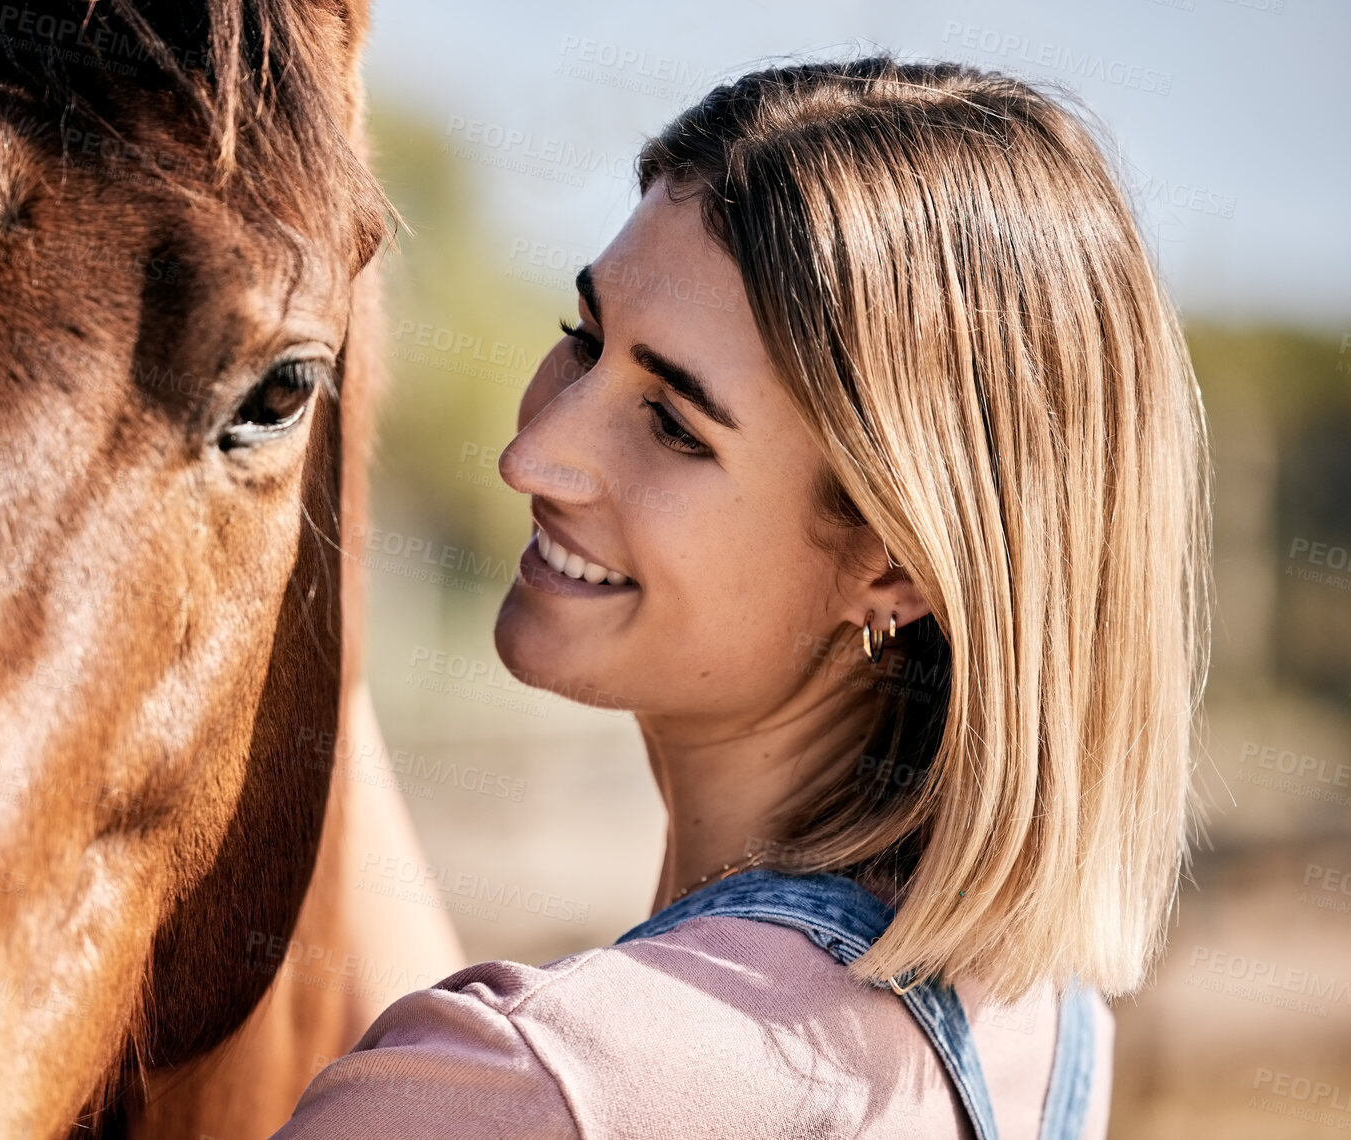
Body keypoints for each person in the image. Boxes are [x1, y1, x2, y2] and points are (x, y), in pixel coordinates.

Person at [265, 57, 1210, 1138]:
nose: (531, 454)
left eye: (673, 424)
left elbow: (550, 1088)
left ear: (894, 566)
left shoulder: (539, 1085)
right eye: (582, 338)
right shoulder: (1041, 1019)